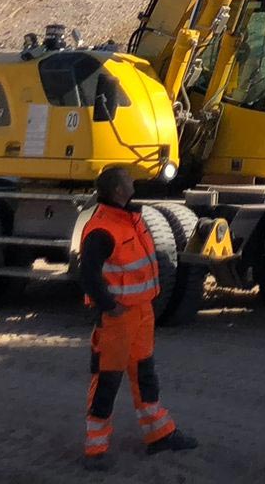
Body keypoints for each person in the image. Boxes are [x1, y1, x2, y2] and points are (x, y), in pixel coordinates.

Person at [77, 165, 198, 469]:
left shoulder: (131, 218)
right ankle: (96, 449)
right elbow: (88, 275)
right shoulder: (103, 228)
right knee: (107, 381)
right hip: (117, 319)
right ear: (118, 190)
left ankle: (159, 435)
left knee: (145, 376)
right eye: (128, 180)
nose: (133, 182)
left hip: (141, 313)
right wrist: (109, 305)